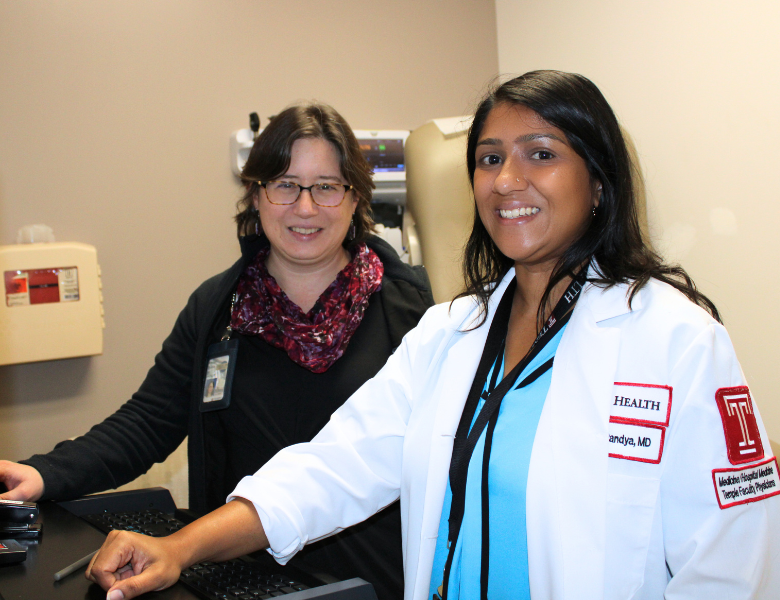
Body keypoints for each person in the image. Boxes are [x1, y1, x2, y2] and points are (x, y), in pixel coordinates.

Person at [85, 71, 780, 600]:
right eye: (488, 158)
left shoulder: (676, 341)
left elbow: (732, 563)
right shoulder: (451, 333)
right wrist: (179, 547)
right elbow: (332, 467)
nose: (507, 180)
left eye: (541, 154)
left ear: (597, 182)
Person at [0, 102, 435, 600]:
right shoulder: (217, 310)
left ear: (356, 199)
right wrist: (43, 474)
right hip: (239, 574)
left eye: (327, 187)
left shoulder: (411, 312)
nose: (305, 208)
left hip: (373, 582)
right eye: (285, 185)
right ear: (255, 195)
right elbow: (147, 422)